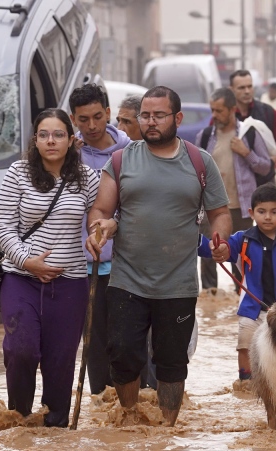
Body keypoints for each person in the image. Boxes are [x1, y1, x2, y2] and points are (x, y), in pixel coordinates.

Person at [86, 86, 233, 427]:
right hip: (127, 280)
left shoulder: (199, 162)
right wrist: (101, 228)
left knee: (171, 363)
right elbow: (101, 210)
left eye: (159, 115)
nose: (150, 122)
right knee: (122, 356)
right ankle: (130, 418)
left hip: (178, 284)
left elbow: (220, 213)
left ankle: (167, 429)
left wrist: (220, 240)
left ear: (177, 118)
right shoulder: (122, 160)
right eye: (145, 116)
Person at [0, 109, 100, 427]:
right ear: (35, 140)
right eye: (43, 134)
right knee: (21, 349)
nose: (50, 141)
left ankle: (55, 426)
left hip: (70, 284)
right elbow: (3, 226)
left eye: (58, 135)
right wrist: (27, 261)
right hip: (20, 278)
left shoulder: (87, 178)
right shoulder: (18, 173)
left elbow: (103, 215)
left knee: (61, 361)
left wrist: (98, 232)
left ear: (71, 140)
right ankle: (19, 419)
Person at [202, 184, 276, 390]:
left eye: (274, 212)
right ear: (251, 213)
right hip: (252, 309)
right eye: (262, 212)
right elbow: (218, 250)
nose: (268, 217)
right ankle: (246, 384)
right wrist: (205, 243)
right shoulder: (242, 240)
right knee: (245, 345)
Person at [69, 85, 130, 395]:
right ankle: (102, 409)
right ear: (73, 119)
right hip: (83, 267)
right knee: (93, 344)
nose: (91, 126)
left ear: (108, 113)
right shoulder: (68, 155)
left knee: (127, 342)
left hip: (127, 265)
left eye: (97, 117)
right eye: (83, 119)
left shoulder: (130, 152)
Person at [198, 87, 271, 292]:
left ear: (232, 110)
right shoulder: (204, 137)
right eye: (212, 110)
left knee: (241, 256)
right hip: (210, 207)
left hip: (241, 207)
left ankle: (242, 297)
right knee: (208, 256)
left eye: (219, 110)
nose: (214, 115)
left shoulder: (248, 134)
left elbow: (266, 167)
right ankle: (210, 298)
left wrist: (246, 152)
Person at [229, 69, 276, 183]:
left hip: (265, 180)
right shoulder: (225, 116)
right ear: (231, 90)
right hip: (235, 182)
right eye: (241, 88)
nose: (247, 91)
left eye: (250, 86)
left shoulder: (268, 113)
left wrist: (271, 162)